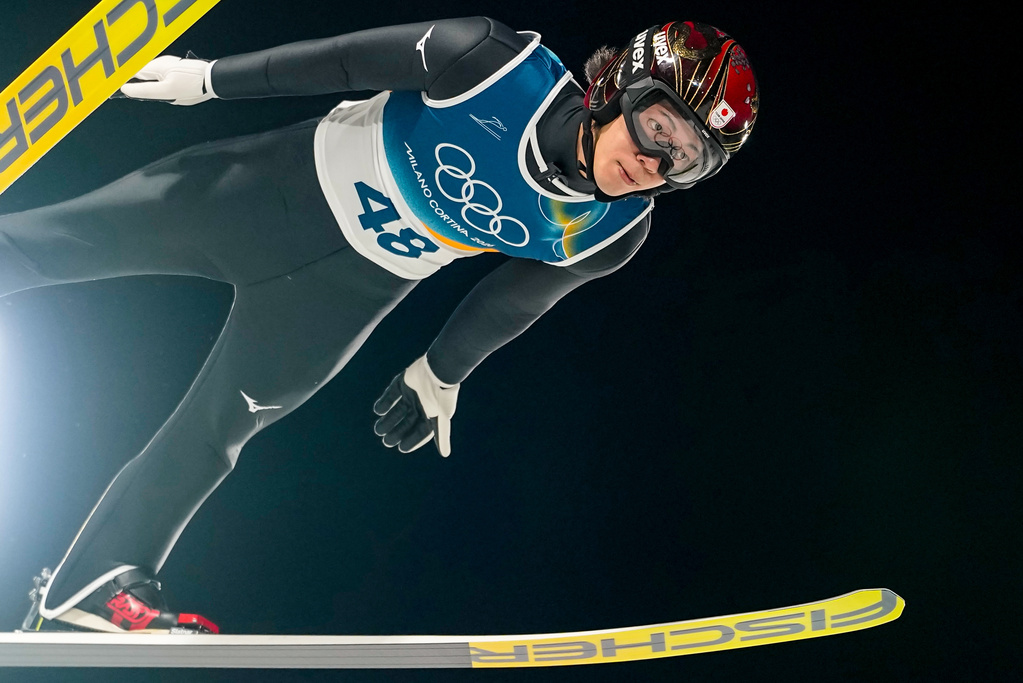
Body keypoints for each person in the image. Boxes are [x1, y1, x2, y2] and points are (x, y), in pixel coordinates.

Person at [2, 17, 759, 633]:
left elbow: (517, 296)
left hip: (344, 295)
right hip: (264, 194)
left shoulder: (613, 231)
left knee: (216, 431)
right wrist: (209, 80)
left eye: (687, 159)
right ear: (619, 86)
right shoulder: (494, 63)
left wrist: (442, 369)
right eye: (660, 126)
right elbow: (340, 61)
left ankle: (92, 585)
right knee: (54, 244)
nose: (656, 161)